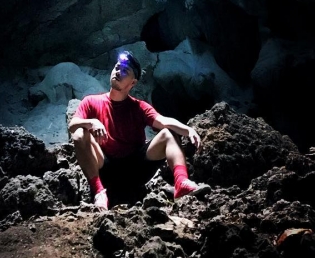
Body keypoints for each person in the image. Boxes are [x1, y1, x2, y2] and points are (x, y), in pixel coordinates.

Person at [68, 50, 210, 210]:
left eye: (125, 71)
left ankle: (181, 182)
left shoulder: (139, 107)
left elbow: (163, 121)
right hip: (105, 168)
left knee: (169, 133)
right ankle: (99, 192)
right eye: (117, 67)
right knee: (80, 133)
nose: (118, 72)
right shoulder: (91, 101)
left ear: (133, 83)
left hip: (135, 169)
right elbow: (73, 125)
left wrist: (188, 130)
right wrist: (91, 122)